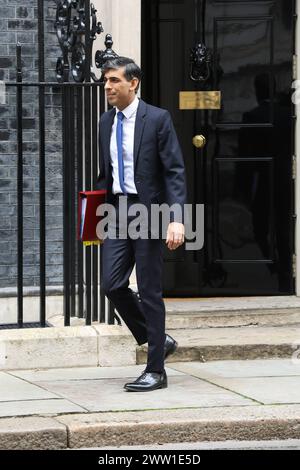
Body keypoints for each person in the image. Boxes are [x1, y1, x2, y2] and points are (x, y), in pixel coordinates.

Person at [96, 57, 187, 392]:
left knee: (149, 289)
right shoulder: (106, 121)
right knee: (112, 284)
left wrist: (176, 219)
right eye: (105, 80)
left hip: (150, 211)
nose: (107, 86)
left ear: (133, 83)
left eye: (114, 80)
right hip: (117, 211)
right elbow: (107, 175)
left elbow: (174, 172)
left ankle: (156, 371)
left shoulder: (158, 119)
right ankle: (157, 339)